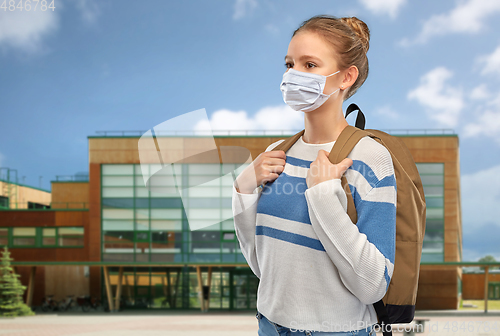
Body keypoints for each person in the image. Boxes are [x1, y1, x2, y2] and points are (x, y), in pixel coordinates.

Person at [232, 14, 396, 336]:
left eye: (309, 65)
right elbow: (262, 265)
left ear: (346, 77)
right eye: (289, 64)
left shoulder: (369, 157)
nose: (293, 75)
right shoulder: (278, 152)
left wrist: (323, 195)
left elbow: (374, 284)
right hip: (269, 324)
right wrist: (243, 189)